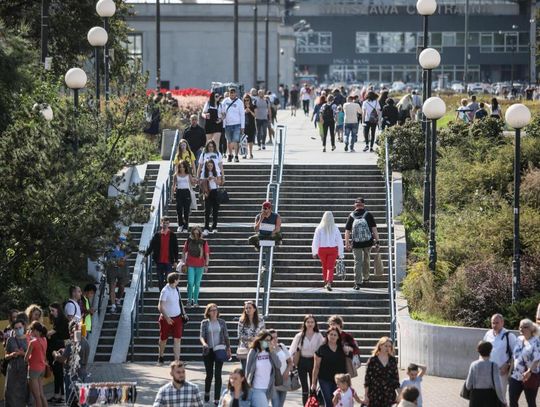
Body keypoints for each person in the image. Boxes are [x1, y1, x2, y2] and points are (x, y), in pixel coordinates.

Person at [345, 197, 380, 290]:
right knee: (366, 260)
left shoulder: (351, 216)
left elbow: (347, 231)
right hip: (368, 242)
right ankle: (366, 278)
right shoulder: (368, 214)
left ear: (354, 205)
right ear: (364, 205)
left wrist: (347, 242)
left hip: (356, 243)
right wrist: (377, 241)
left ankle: (357, 282)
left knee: (357, 262)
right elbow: (374, 229)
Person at [200, 303, 232, 405]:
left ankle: (217, 398)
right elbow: (201, 336)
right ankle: (207, 392)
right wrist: (204, 343)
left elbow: (226, 336)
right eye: (212, 310)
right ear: (208, 312)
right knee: (209, 375)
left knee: (218, 375)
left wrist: (228, 348)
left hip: (219, 350)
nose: (214, 312)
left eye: (215, 310)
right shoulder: (204, 323)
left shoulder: (222, 322)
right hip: (208, 351)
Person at [290, 314, 325, 405]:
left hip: (314, 363)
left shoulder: (318, 335)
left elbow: (324, 349)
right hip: (302, 362)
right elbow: (292, 350)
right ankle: (305, 404)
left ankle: (312, 405)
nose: (310, 324)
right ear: (305, 323)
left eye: (312, 322)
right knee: (305, 388)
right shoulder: (299, 336)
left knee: (312, 387)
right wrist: (290, 364)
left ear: (315, 323)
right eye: (308, 322)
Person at [54, 320, 90, 406]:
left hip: (71, 376)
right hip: (83, 373)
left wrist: (55, 354)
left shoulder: (71, 343)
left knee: (70, 401)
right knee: (82, 401)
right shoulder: (85, 342)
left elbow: (62, 359)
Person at [311, 327, 348, 406]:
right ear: (327, 335)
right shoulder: (322, 349)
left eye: (335, 335)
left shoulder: (342, 348)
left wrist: (348, 349)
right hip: (324, 379)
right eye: (331, 334)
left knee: (338, 402)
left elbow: (353, 351)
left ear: (338, 337)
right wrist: (313, 383)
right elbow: (316, 367)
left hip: (339, 380)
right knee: (329, 402)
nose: (333, 336)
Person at [157, 272, 187, 364]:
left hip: (177, 318)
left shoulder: (176, 289)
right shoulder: (165, 290)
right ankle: (160, 357)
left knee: (177, 339)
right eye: (178, 279)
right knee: (163, 339)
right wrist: (166, 318)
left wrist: (184, 313)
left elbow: (179, 301)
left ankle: (177, 361)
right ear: (174, 280)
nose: (179, 280)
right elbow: (160, 306)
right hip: (166, 319)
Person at [246, 329, 282, 407]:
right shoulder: (253, 352)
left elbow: (278, 365)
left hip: (268, 388)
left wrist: (272, 351)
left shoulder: (270, 352)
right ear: (260, 340)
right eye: (266, 340)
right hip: (256, 388)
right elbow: (248, 370)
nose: (268, 342)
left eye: (270, 340)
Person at [509, 319, 540, 407]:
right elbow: (514, 356)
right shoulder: (518, 339)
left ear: (531, 329)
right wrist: (510, 372)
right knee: (512, 400)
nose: (521, 329)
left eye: (525, 327)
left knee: (530, 402)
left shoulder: (536, 341)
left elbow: (537, 359)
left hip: (529, 376)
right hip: (516, 375)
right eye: (520, 326)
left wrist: (529, 371)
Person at [465, 340, 506, 407]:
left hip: (476, 398)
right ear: (490, 351)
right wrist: (503, 400)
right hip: (490, 397)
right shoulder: (494, 365)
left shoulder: (473, 365)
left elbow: (468, 385)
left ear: (478, 350)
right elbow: (498, 386)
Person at [483, 313, 517, 393]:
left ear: (502, 323)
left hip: (501, 371)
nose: (494, 325)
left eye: (497, 323)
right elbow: (483, 350)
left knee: (500, 396)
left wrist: (508, 364)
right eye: (493, 323)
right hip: (488, 370)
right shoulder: (488, 334)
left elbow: (516, 353)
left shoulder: (509, 335)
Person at [312, 211, 344, 291]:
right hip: (333, 249)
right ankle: (329, 282)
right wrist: (341, 254)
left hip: (322, 250)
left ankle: (326, 282)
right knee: (330, 267)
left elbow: (315, 241)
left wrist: (314, 252)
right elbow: (340, 241)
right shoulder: (335, 228)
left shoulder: (319, 228)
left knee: (324, 266)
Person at [364, 337, 400, 407]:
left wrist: (399, 394)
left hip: (389, 392)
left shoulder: (393, 360)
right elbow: (367, 379)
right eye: (385, 346)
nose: (388, 348)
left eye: (389, 346)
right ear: (380, 346)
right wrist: (366, 395)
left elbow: (396, 378)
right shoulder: (372, 360)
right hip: (375, 392)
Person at [145, 217, 179, 291]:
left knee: (168, 280)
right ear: (161, 223)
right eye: (164, 223)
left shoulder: (172, 235)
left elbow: (176, 249)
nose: (165, 225)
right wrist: (146, 255)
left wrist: (176, 261)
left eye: (167, 223)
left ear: (169, 224)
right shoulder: (157, 235)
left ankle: (168, 295)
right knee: (160, 280)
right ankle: (162, 294)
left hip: (169, 261)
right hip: (159, 261)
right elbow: (151, 246)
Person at [47, 303, 70, 404]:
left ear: (58, 310)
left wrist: (50, 334)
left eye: (53, 310)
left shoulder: (63, 321)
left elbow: (67, 339)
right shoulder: (57, 321)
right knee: (57, 374)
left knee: (60, 374)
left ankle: (63, 396)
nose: (51, 313)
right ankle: (57, 395)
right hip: (55, 350)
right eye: (50, 311)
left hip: (61, 351)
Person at [4, 318, 28, 407]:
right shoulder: (10, 340)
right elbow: (6, 356)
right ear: (13, 329)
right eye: (16, 328)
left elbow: (33, 356)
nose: (18, 330)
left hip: (24, 369)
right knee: (10, 392)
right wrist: (11, 355)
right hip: (12, 369)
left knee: (23, 392)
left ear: (24, 327)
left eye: (20, 327)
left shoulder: (28, 339)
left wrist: (22, 353)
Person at [183, 227, 210, 307]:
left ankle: (195, 301)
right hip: (190, 264)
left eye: (197, 233)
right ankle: (189, 300)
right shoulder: (189, 241)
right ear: (192, 233)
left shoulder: (203, 242)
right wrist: (183, 262)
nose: (196, 235)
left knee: (197, 283)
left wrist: (206, 265)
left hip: (200, 265)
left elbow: (207, 255)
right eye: (194, 233)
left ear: (200, 233)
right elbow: (184, 252)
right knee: (190, 283)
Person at [25, 321, 48, 407]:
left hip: (34, 370)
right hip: (42, 368)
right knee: (41, 394)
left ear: (35, 330)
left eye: (31, 329)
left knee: (36, 397)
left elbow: (26, 358)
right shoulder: (44, 339)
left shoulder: (33, 342)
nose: (30, 331)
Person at [237, 300, 265, 371]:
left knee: (256, 370)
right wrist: (250, 338)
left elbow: (263, 334)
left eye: (250, 308)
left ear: (254, 309)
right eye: (246, 308)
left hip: (257, 348)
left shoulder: (260, 320)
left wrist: (256, 339)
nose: (248, 310)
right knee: (245, 370)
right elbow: (239, 335)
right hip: (245, 348)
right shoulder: (241, 320)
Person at [219, 87, 244, 163]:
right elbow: (221, 110)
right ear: (229, 93)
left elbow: (242, 114)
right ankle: (230, 155)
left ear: (235, 93)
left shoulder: (239, 102)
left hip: (237, 124)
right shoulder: (225, 101)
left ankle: (236, 156)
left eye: (233, 92)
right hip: (227, 124)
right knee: (229, 141)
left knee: (236, 141)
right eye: (231, 92)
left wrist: (242, 126)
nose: (232, 94)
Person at [270, 329, 294, 407]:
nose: (275, 339)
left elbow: (290, 362)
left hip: (284, 379)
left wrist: (287, 371)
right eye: (272, 337)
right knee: (276, 404)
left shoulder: (282, 346)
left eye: (276, 337)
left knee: (280, 404)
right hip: (273, 381)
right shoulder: (266, 349)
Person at [173, 160, 197, 233]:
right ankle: (180, 225)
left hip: (186, 192)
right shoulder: (176, 175)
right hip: (179, 192)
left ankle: (186, 226)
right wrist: (172, 194)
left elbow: (193, 183)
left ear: (185, 167)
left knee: (186, 210)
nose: (182, 168)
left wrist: (195, 181)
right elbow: (173, 185)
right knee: (179, 209)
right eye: (180, 167)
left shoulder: (188, 175)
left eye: (183, 167)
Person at [200, 159, 222, 236]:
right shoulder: (204, 173)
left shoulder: (216, 172)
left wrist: (215, 179)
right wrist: (207, 179)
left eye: (211, 166)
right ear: (206, 166)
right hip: (207, 192)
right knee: (207, 211)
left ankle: (214, 227)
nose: (210, 167)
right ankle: (206, 228)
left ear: (213, 166)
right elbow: (201, 182)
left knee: (215, 211)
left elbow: (220, 182)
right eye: (208, 166)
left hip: (215, 192)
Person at [243, 94, 256, 159]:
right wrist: (244, 111)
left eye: (247, 100)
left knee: (250, 140)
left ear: (250, 100)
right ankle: (245, 153)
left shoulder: (253, 106)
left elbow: (255, 115)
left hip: (251, 125)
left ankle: (250, 153)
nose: (246, 101)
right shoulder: (242, 106)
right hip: (244, 125)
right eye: (245, 100)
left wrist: (250, 110)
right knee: (244, 140)